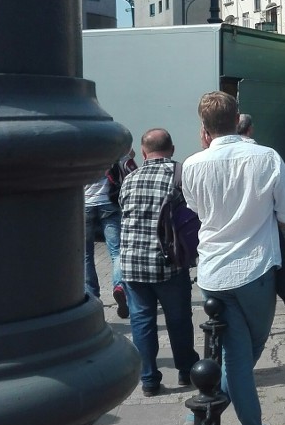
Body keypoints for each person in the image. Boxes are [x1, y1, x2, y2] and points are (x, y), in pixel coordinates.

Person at [176, 91, 285, 425]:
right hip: (256, 272)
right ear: (238, 120)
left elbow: (197, 208)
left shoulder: (193, 164)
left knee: (236, 357)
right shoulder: (266, 158)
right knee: (244, 357)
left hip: (213, 274)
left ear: (204, 128)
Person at [118, 129, 200, 397]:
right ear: (173, 148)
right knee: (178, 318)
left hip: (131, 263)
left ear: (143, 152)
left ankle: (149, 379)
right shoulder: (179, 174)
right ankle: (187, 369)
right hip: (167, 261)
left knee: (142, 321)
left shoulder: (129, 179)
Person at [84, 149, 137, 318]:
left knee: (86, 255)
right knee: (116, 251)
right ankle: (119, 286)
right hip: (108, 202)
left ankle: (92, 297)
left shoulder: (80, 147)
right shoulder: (107, 144)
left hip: (84, 204)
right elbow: (131, 154)